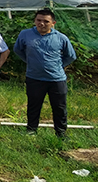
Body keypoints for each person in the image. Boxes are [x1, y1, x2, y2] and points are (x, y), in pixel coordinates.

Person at [13, 8, 76, 138]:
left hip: (56, 79)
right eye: (38, 20)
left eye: (46, 21)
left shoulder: (60, 38)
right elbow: (18, 50)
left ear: (53, 23)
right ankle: (31, 130)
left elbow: (70, 56)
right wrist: (30, 62)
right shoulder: (25, 34)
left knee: (59, 107)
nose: (41, 23)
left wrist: (58, 66)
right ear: (35, 21)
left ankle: (61, 133)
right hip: (34, 77)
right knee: (33, 106)